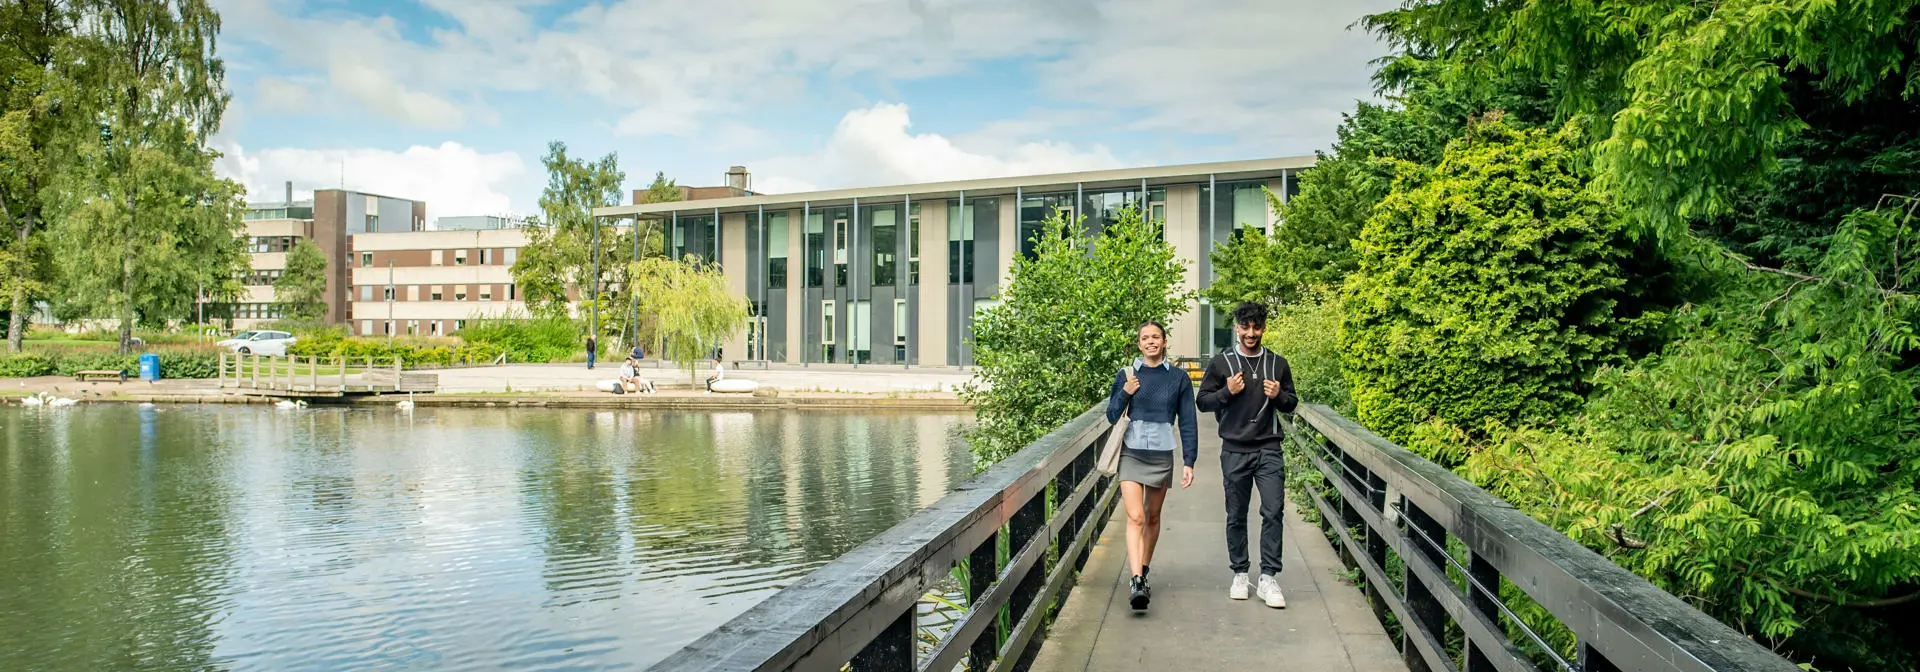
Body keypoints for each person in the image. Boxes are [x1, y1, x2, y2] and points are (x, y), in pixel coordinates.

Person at [1196, 301, 1297, 609]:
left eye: (1256, 327)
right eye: (1245, 327)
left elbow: (1292, 403)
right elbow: (1203, 402)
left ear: (1263, 328)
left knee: (1273, 511)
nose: (1251, 333)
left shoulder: (1278, 363)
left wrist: (1278, 395)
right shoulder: (1222, 363)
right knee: (1236, 514)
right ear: (1237, 328)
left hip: (1269, 448)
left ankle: (1268, 577)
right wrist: (1227, 392)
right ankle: (1240, 572)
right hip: (1235, 449)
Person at [1106, 320, 1198, 612]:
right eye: (1144, 338)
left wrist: (1189, 460)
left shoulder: (1179, 379)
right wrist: (1126, 392)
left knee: (1152, 516)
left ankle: (1143, 570)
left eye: (1155, 337)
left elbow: (1187, 420)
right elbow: (1111, 415)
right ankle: (1135, 581)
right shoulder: (1127, 375)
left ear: (1164, 341)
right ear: (1139, 344)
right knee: (1135, 517)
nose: (1150, 342)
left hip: (1161, 455)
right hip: (1131, 453)